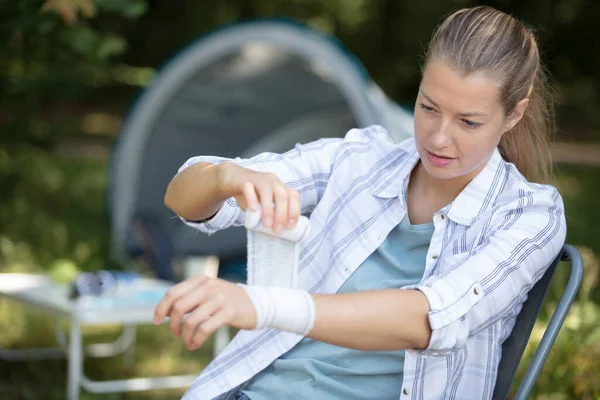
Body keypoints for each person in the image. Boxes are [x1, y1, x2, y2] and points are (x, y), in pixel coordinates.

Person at [153, 6, 566, 400]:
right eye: (428, 107)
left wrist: (264, 305)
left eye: (468, 122)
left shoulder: (530, 215)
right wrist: (227, 177)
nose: (439, 138)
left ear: (513, 115)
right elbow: (181, 198)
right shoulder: (361, 160)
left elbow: (428, 319)